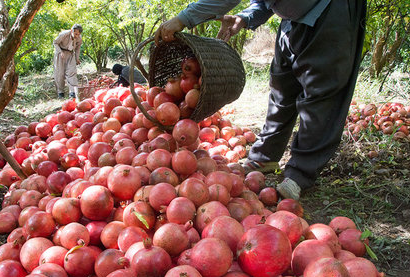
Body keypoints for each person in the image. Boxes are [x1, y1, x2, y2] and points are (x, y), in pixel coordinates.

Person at [154, 0, 367, 200]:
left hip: (328, 10)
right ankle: (266, 156)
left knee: (321, 95)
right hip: (293, 18)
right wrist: (246, 17)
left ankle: (301, 172)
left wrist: (183, 19)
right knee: (281, 88)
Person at [53, 24, 83, 99]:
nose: (77, 36)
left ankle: (72, 92)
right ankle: (60, 92)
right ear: (72, 31)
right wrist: (60, 52)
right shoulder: (63, 34)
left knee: (72, 72)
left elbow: (78, 48)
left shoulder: (79, 38)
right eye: (76, 34)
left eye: (78, 34)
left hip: (70, 54)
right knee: (60, 73)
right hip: (61, 53)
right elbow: (55, 43)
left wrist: (77, 58)